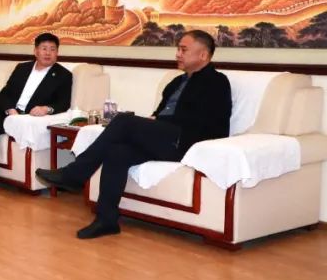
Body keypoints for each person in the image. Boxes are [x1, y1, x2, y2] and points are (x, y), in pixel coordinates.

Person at [36, 30, 231, 239]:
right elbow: (160, 114)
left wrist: (154, 124)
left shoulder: (217, 82)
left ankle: (75, 174)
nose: (178, 54)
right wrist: (152, 122)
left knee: (123, 120)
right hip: (164, 139)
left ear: (203, 55)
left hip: (187, 142)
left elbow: (207, 124)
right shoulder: (175, 82)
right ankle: (106, 220)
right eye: (178, 49)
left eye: (183, 50)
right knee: (117, 152)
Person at [0, 33, 73, 193]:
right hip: (11, 112)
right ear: (36, 51)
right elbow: (4, 94)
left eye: (52, 49)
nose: (48, 53)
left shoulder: (63, 75)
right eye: (44, 48)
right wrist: (10, 109)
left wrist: (46, 109)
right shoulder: (22, 68)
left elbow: (63, 103)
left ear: (57, 53)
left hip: (28, 117)